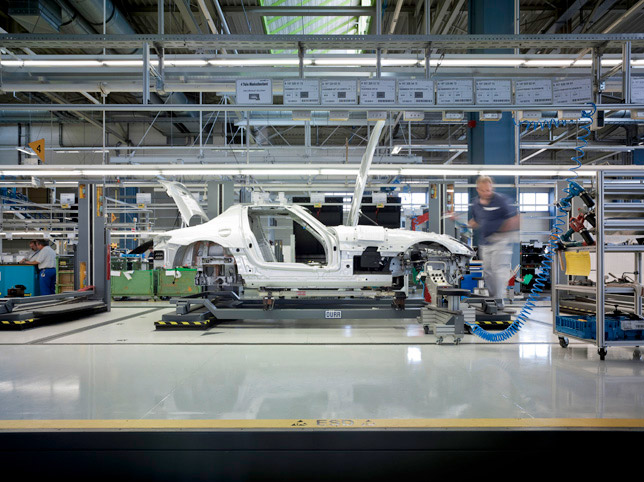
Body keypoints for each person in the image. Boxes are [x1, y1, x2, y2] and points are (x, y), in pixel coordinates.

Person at [468, 176, 520, 301]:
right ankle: (492, 298)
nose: (487, 193)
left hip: (501, 240)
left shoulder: (501, 200)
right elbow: (475, 221)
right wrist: (463, 224)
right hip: (485, 242)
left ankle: (499, 298)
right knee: (487, 272)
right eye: (484, 190)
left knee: (498, 270)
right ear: (478, 189)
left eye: (489, 190)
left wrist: (506, 230)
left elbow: (516, 218)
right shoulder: (475, 203)